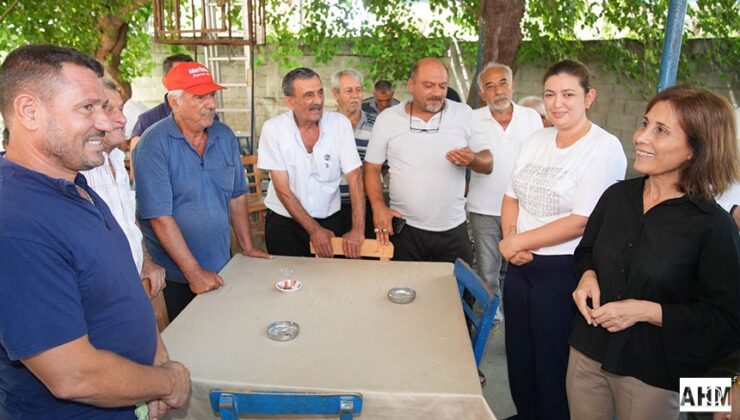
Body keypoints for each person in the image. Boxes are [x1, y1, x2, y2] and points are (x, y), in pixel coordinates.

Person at [0, 44, 190, 419]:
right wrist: (168, 383)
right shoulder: (15, 222)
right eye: (87, 108)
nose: (105, 124)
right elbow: (72, 375)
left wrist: (157, 364)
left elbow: (122, 284)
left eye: (103, 108)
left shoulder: (77, 186)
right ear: (28, 111)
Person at [567, 85, 740, 420]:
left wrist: (646, 311)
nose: (641, 137)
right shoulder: (616, 197)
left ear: (695, 148)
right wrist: (587, 276)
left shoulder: (713, 227)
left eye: (660, 131)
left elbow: (726, 321)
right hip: (587, 351)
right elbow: (586, 251)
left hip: (657, 373)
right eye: (645, 124)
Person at [498, 59, 627, 420]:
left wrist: (518, 242)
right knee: (519, 354)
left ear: (589, 97)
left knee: (552, 360)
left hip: (562, 269)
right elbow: (512, 196)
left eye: (569, 94)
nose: (558, 103)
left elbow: (581, 221)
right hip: (520, 264)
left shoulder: (603, 147)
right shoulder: (537, 138)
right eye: (550, 94)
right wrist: (512, 238)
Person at [134, 62, 270, 321]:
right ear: (174, 102)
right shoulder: (152, 145)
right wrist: (193, 272)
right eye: (200, 97)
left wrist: (248, 246)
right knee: (188, 346)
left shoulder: (224, 135)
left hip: (222, 263)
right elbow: (159, 217)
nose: (211, 104)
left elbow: (237, 195)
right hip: (177, 276)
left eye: (212, 96)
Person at [365, 57, 492, 263]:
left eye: (442, 86)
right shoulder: (388, 119)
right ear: (411, 85)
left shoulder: (464, 114)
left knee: (456, 293)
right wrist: (378, 207)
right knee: (403, 292)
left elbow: (488, 163)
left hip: (453, 230)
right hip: (405, 230)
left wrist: (473, 159)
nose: (437, 92)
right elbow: (371, 168)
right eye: (428, 85)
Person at [258, 67, 365, 258]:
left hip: (330, 221)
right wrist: (314, 230)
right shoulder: (273, 129)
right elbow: (281, 188)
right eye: (309, 95)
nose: (318, 101)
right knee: (288, 282)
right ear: (289, 101)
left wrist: (358, 229)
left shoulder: (340, 124)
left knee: (329, 283)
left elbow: (355, 177)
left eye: (320, 93)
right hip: (285, 224)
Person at [467, 62, 543, 315]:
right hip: (484, 208)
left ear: (512, 86)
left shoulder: (531, 117)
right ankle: (491, 318)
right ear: (482, 93)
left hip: (523, 208)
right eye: (490, 86)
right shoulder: (472, 119)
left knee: (520, 265)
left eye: (503, 83)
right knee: (487, 269)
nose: (498, 91)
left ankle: (519, 313)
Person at [80, 79, 166, 297]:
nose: (122, 118)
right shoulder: (76, 172)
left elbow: (128, 221)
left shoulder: (117, 158)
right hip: (105, 296)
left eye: (121, 108)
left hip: (133, 286)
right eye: (109, 109)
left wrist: (145, 261)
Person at [331, 68, 376, 238]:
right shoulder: (325, 125)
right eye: (349, 91)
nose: (355, 95)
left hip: (366, 205)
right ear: (335, 94)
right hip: (332, 207)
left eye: (358, 90)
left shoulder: (377, 124)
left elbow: (383, 166)